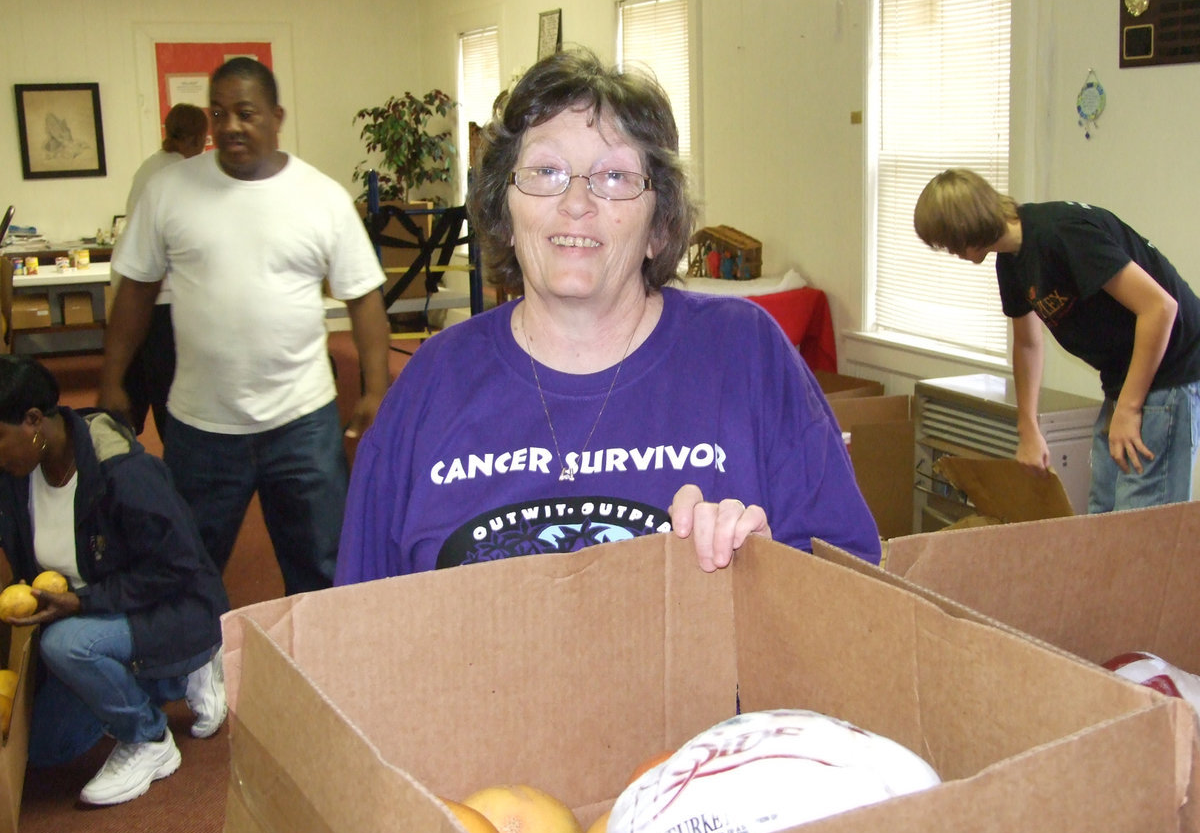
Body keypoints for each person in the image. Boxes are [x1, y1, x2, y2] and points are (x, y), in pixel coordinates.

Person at [334, 48, 880, 585]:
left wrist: (763, 578)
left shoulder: (746, 355)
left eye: (615, 177)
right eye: (546, 170)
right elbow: (358, 626)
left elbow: (852, 583)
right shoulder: (433, 381)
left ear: (659, 226)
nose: (577, 202)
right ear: (503, 211)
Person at [100, 57, 392, 595]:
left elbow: (364, 298)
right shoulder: (168, 191)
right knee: (185, 570)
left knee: (322, 568)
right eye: (219, 113)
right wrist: (113, 378)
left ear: (276, 116)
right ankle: (191, 676)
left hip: (302, 424)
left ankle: (319, 672)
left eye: (246, 112)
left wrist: (376, 388)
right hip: (200, 428)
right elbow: (136, 291)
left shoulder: (321, 198)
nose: (230, 125)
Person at [0, 355, 228, 807]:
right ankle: (163, 681)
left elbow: (178, 567)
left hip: (173, 606)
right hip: (95, 613)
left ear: (32, 422)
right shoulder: (15, 474)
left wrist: (83, 604)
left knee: (65, 645)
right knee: (47, 749)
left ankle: (150, 738)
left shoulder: (124, 473)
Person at [914, 168, 1200, 512]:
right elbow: (1027, 344)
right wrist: (1028, 427)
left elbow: (1159, 308)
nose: (950, 251)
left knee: (1139, 526)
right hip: (1122, 377)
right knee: (1102, 513)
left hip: (1170, 371)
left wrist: (1128, 407)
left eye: (948, 241)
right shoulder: (1011, 261)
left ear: (967, 227)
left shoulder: (1060, 233)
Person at [121, 102, 209, 439]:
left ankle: (125, 451)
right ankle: (174, 464)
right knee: (169, 389)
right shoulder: (182, 175)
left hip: (140, 294)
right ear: (196, 139)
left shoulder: (149, 167)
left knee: (142, 383)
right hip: (166, 298)